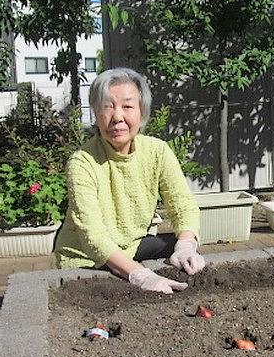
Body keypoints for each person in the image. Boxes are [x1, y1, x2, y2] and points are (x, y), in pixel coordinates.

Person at [53, 67, 205, 294]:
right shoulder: (82, 162)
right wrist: (140, 274)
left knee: (185, 259)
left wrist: (186, 245)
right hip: (86, 256)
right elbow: (92, 236)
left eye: (127, 106)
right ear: (96, 112)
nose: (117, 117)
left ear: (141, 112)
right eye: (107, 106)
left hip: (131, 245)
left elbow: (183, 205)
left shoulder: (157, 151)